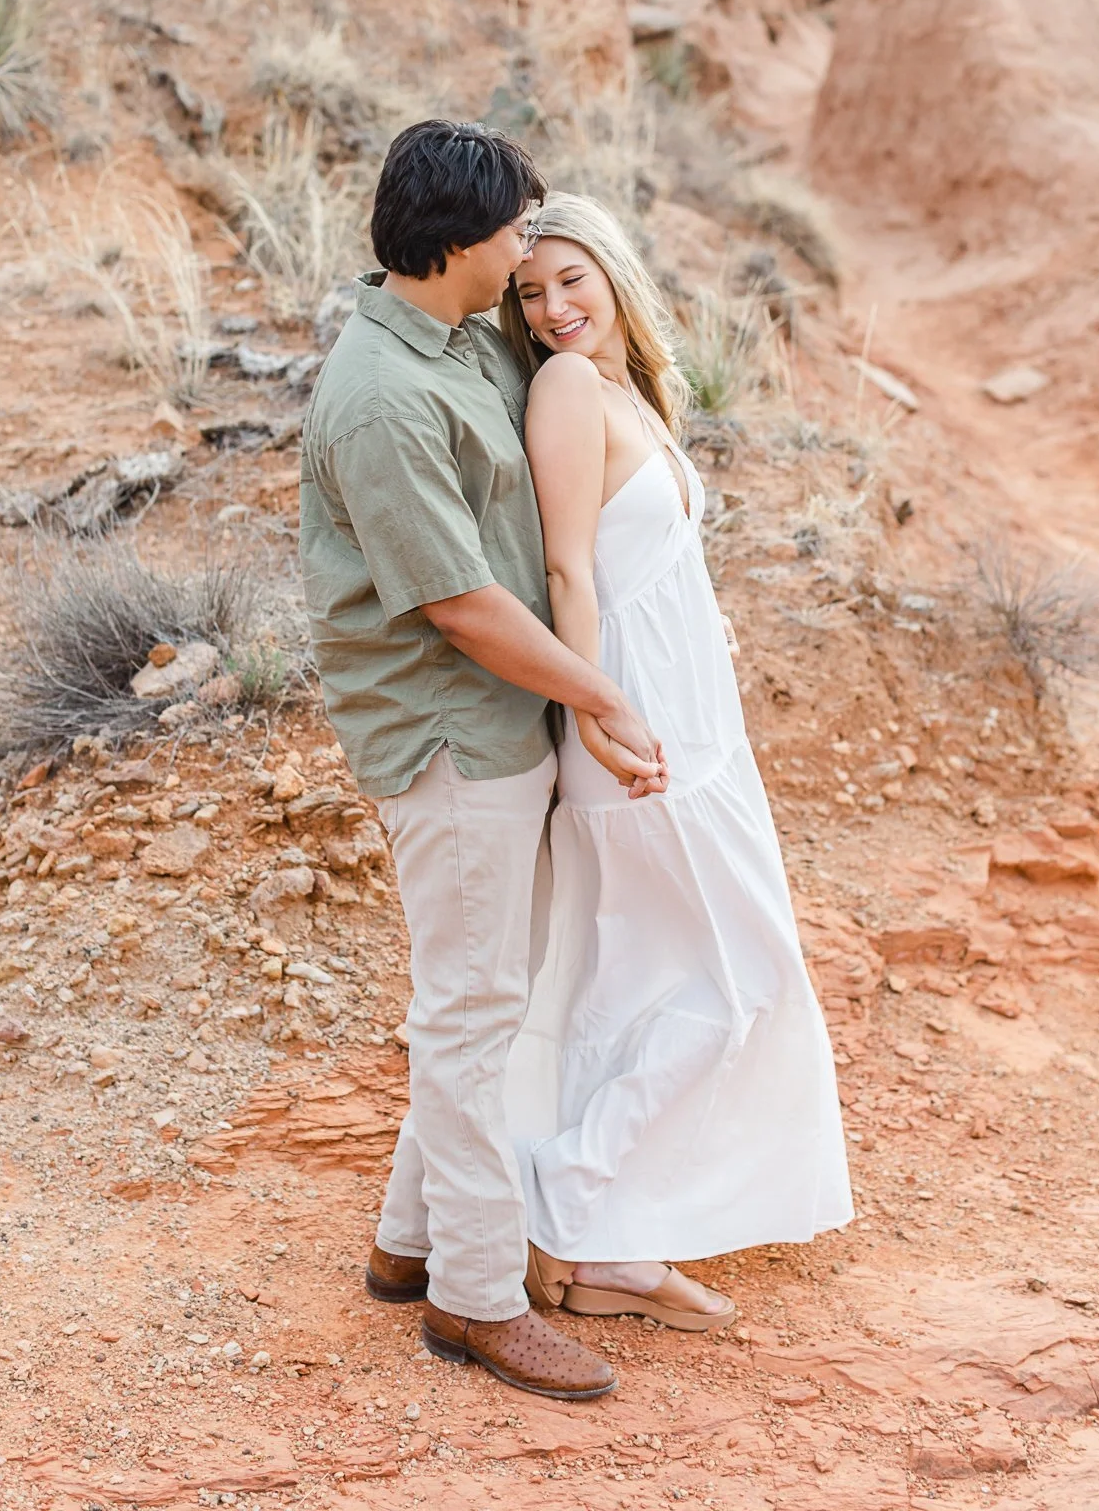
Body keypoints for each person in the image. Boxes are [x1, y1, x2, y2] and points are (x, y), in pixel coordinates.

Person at [298, 123, 669, 1403]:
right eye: (517, 231)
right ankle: (474, 1295)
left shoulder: (454, 337)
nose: (531, 249)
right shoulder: (383, 394)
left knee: (482, 996)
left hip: (504, 725)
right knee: (465, 1019)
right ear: (458, 241)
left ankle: (409, 1245)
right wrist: (603, 695)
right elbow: (460, 601)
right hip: (453, 736)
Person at [499, 192, 853, 1331]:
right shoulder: (561, 388)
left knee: (654, 977)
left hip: (694, 722)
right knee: (741, 977)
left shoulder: (624, 391)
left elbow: (649, 560)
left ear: (610, 271)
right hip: (639, 728)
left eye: (569, 279)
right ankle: (573, 1192)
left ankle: (611, 1241)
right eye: (530, 290)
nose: (553, 307)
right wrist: (597, 707)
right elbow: (568, 573)